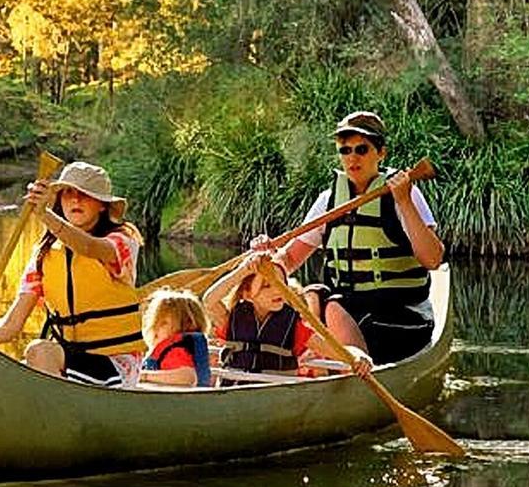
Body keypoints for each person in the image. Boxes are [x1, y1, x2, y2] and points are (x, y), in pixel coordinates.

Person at [252, 111, 444, 363]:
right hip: (346, 310)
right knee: (312, 297)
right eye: (345, 150)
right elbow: (288, 259)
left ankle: (346, 367)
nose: (352, 157)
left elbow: (433, 259)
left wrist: (404, 201)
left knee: (331, 305)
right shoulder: (328, 201)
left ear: (381, 153)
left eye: (362, 149)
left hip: (399, 317)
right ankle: (317, 364)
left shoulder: (404, 193)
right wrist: (267, 258)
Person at [0, 161, 145, 387]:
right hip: (71, 363)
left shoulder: (123, 240)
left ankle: (57, 413)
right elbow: (12, 325)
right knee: (28, 363)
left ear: (103, 205)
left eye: (85, 194)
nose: (75, 200)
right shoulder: (43, 255)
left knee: (38, 351)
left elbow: (88, 248)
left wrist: (45, 215)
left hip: (116, 364)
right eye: (68, 193)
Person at [204, 254, 372, 379]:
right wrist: (242, 271)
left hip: (275, 396)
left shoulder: (293, 326)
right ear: (247, 294)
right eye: (266, 285)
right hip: (235, 393)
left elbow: (338, 351)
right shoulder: (231, 320)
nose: (277, 290)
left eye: (281, 284)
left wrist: (358, 356)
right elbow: (208, 301)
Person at [137, 288, 213, 387]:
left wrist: (144, 376)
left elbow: (188, 377)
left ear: (186, 324)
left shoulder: (176, 351)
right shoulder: (176, 348)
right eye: (154, 321)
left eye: (163, 323)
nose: (155, 327)